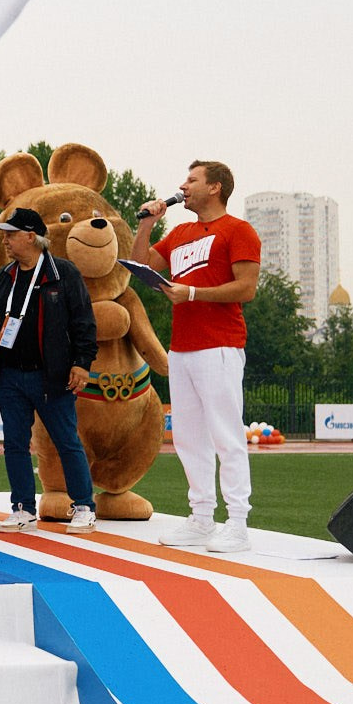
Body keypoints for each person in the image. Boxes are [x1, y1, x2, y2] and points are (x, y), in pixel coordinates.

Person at [135, 161, 261, 552]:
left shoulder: (238, 230)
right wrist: (146, 225)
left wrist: (192, 293)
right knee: (189, 437)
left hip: (220, 345)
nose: (183, 186)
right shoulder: (180, 233)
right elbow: (140, 268)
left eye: (192, 180)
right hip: (182, 347)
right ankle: (202, 518)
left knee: (226, 434)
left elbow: (246, 288)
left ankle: (237, 523)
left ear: (215, 187)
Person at [0, 206, 98, 531]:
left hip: (51, 375)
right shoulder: (5, 276)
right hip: (11, 375)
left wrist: (82, 364)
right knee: (14, 444)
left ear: (31, 237)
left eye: (10, 234)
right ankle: (22, 508)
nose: (4, 240)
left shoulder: (63, 273)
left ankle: (84, 506)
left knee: (66, 441)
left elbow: (84, 322)